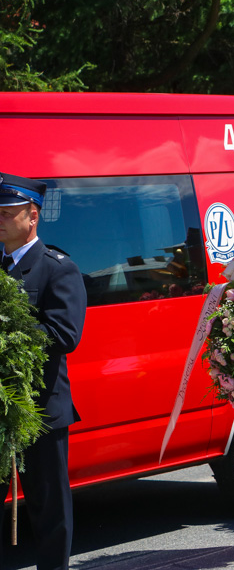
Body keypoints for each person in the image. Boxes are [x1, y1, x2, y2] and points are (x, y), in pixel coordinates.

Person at [0, 172, 86, 570]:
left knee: (48, 506)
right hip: (2, 408)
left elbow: (65, 334)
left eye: (6, 212)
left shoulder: (57, 268)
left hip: (40, 410)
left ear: (32, 216)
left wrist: (11, 326)